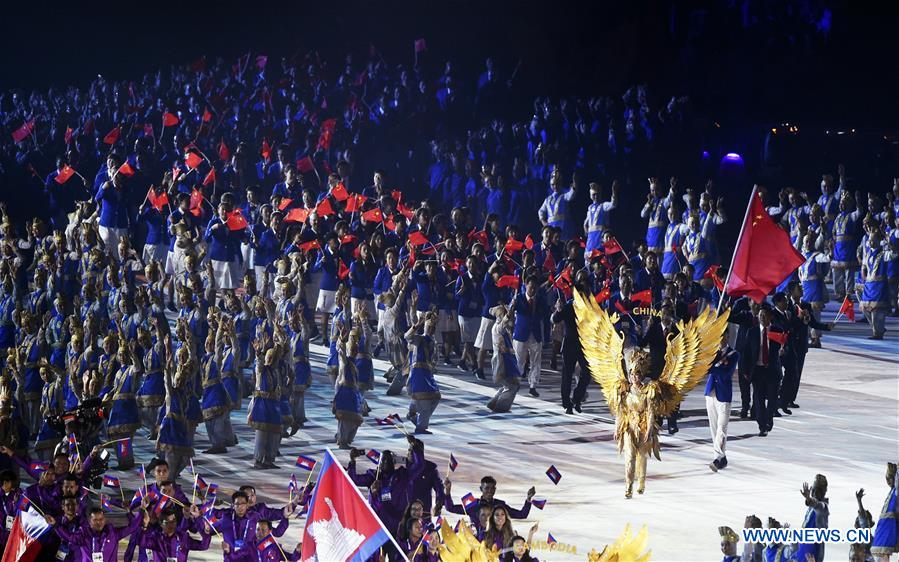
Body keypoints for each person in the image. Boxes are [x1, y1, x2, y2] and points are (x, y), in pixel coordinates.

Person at [47, 501, 147, 562]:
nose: (99, 522)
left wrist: (142, 510)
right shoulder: (83, 534)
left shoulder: (112, 533)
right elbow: (69, 537)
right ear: (89, 521)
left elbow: (131, 527)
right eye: (95, 520)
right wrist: (55, 525)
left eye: (101, 519)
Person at [442, 475, 534, 526]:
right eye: (487, 488)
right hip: (476, 542)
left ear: (495, 489)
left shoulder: (500, 505)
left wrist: (528, 499)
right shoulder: (472, 504)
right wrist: (448, 491)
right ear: (481, 489)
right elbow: (450, 508)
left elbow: (522, 515)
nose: (490, 491)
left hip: (496, 543)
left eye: (492, 488)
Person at [705, 333, 738, 472]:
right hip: (710, 393)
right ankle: (721, 458)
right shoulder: (713, 352)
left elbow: (726, 373)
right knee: (714, 428)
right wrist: (717, 367)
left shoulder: (734, 354)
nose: (719, 339)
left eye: (722, 336)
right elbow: (706, 368)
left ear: (726, 337)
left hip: (724, 394)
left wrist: (714, 368)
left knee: (722, 428)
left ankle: (718, 458)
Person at [511, 276, 546, 397]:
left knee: (535, 362)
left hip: (535, 334)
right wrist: (512, 305)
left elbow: (544, 315)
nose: (532, 290)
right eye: (530, 287)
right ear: (526, 285)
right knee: (519, 361)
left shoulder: (541, 300)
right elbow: (510, 313)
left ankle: (533, 386)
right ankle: (515, 384)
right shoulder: (519, 298)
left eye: (534, 287)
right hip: (521, 334)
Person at [140, 506, 213, 562]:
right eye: (168, 522)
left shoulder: (183, 538)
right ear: (161, 524)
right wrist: (144, 526)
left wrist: (206, 531)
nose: (172, 525)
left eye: (174, 521)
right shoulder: (156, 538)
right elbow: (143, 543)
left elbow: (204, 546)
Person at [796, 474, 830, 562]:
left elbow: (816, 504)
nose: (814, 493)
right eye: (813, 489)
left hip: (812, 556)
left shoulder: (823, 508)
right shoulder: (810, 509)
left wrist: (808, 498)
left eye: (818, 491)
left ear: (824, 492)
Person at [871, 462, 898, 561]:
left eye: (889, 478)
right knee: (880, 554)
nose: (887, 481)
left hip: (887, 529)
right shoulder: (892, 492)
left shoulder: (896, 491)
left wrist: (898, 470)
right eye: (887, 478)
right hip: (883, 528)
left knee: (882, 554)